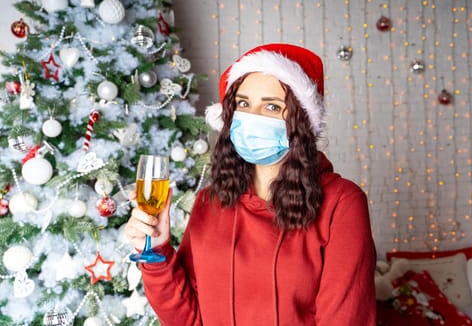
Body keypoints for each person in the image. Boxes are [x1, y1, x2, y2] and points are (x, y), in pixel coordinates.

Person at [125, 43, 376, 325]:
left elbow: (346, 318)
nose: (253, 116)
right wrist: (157, 248)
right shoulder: (211, 201)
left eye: (272, 106)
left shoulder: (342, 204)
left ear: (302, 119)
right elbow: (188, 318)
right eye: (243, 104)